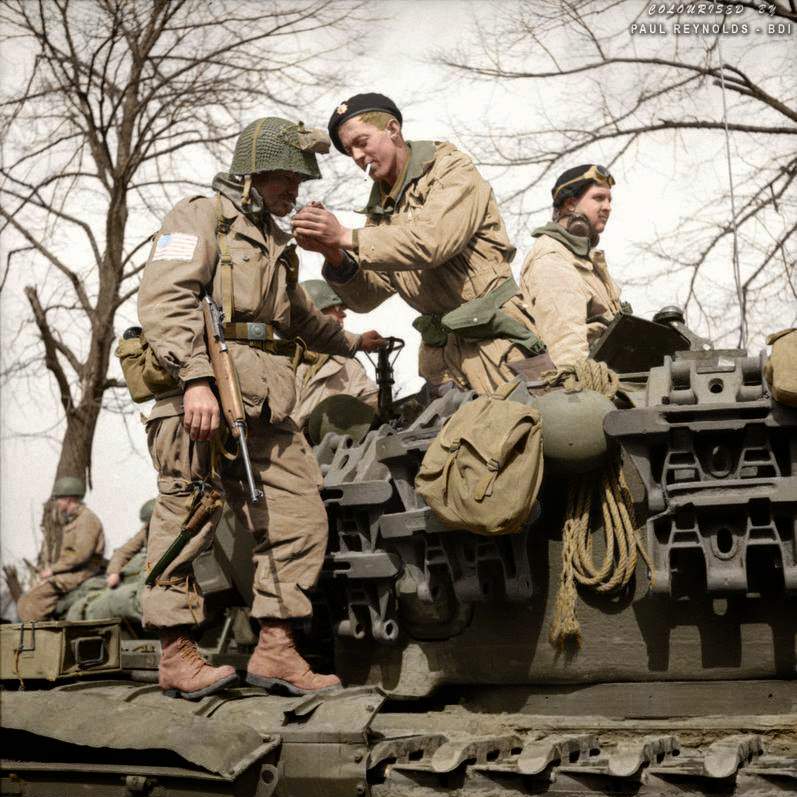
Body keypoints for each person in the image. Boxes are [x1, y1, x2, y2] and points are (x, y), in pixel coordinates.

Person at [137, 116, 384, 700]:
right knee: (187, 514)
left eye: (299, 182)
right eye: (286, 179)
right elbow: (166, 299)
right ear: (253, 172)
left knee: (300, 513)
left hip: (266, 406)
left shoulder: (274, 242)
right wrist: (195, 380)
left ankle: (276, 647)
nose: (294, 191)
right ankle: (175, 652)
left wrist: (352, 342)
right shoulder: (200, 217)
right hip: (201, 396)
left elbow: (297, 318)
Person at [292, 93, 549, 396]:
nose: (358, 156)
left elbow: (433, 242)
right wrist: (332, 252)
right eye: (350, 151)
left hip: (497, 342)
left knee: (531, 422)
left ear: (392, 129)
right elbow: (367, 297)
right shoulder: (381, 209)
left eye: (362, 142)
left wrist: (345, 236)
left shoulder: (451, 170)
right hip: (442, 358)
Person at [520, 164, 625, 368]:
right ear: (570, 204)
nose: (607, 207)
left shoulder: (584, 260)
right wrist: (582, 383)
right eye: (598, 198)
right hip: (585, 377)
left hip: (609, 370)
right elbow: (565, 347)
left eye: (609, 200)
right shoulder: (553, 258)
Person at [291, 279, 378, 430]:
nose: (343, 314)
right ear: (315, 314)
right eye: (336, 308)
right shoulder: (276, 360)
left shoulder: (348, 367)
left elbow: (372, 406)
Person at [17, 477, 105, 623]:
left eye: (58, 499)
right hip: (70, 573)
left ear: (69, 500)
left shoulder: (87, 520)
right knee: (26, 599)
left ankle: (41, 636)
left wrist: (53, 570)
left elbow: (81, 554)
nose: (56, 503)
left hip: (83, 573)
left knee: (33, 601)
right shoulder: (75, 520)